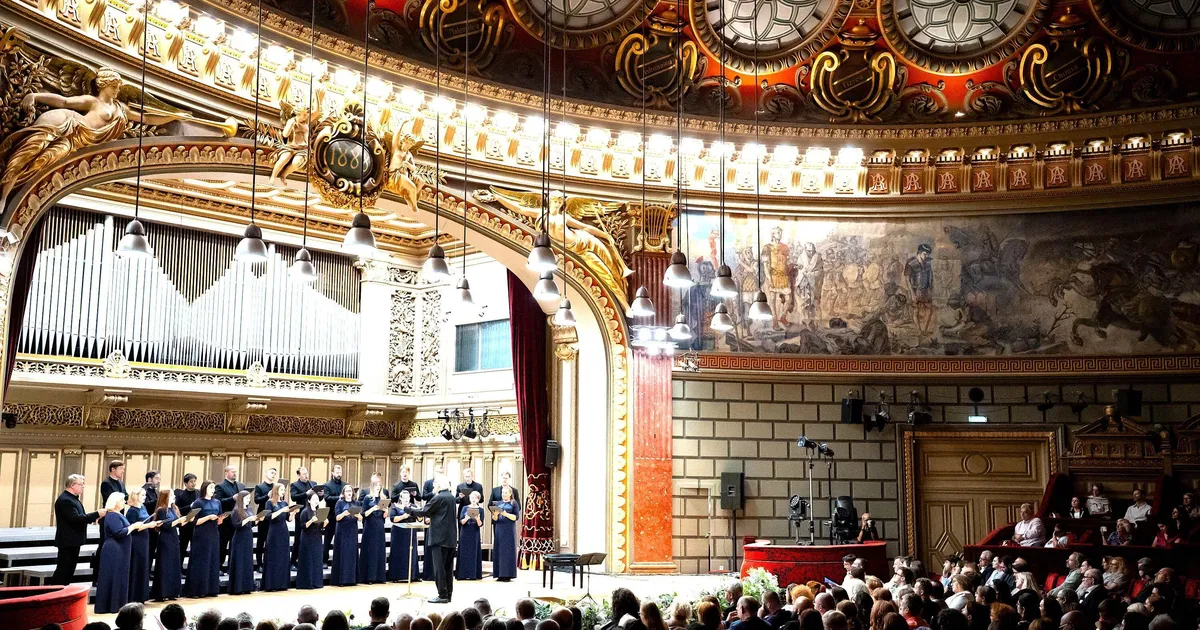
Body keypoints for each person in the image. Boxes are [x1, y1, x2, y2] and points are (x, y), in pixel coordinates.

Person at [406, 475, 458, 602]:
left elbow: (424, 511)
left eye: (435, 484)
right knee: (448, 568)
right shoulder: (451, 497)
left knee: (439, 568)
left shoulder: (438, 497)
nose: (433, 486)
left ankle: (442, 595)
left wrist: (407, 509)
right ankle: (448, 594)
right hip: (450, 538)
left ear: (439, 485)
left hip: (439, 538)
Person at [52, 474, 106, 585]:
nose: (83, 487)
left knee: (68, 571)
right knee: (63, 572)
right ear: (72, 485)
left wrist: (94, 517)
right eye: (81, 484)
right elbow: (75, 519)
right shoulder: (65, 500)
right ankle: (56, 592)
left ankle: (63, 591)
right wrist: (96, 514)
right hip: (68, 541)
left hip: (73, 541)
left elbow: (80, 517)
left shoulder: (73, 499)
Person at [94, 493, 138, 614]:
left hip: (120, 549)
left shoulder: (117, 514)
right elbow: (118, 532)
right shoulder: (112, 515)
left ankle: (118, 604)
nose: (124, 502)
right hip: (114, 549)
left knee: (119, 576)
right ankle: (112, 605)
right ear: (115, 502)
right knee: (114, 576)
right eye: (122, 500)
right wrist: (133, 527)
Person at [185, 480, 224, 598]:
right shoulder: (198, 502)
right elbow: (193, 521)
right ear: (205, 489)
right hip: (201, 534)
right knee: (200, 561)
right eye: (211, 487)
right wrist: (208, 517)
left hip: (214, 533)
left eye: (214, 488)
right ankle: (196, 590)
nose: (213, 490)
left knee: (212, 559)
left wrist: (220, 519)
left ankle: (211, 589)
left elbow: (219, 517)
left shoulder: (217, 502)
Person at [125, 488, 158, 604]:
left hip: (145, 539)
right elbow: (132, 528)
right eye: (143, 495)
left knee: (143, 566)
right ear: (136, 496)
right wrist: (149, 525)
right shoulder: (132, 511)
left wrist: (153, 523)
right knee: (136, 565)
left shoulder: (143, 507)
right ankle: (133, 596)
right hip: (136, 540)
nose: (145, 497)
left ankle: (141, 596)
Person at [151, 488, 183, 601]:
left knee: (173, 564)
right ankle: (162, 592)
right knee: (165, 564)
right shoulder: (161, 510)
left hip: (174, 537)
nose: (174, 496)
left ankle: (172, 591)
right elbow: (165, 525)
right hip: (165, 538)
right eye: (172, 495)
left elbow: (178, 524)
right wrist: (177, 521)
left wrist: (185, 520)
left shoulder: (174, 508)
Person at [214, 465, 245, 570]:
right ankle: (219, 566)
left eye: (236, 471)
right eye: (233, 471)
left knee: (234, 543)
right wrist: (232, 498)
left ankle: (232, 566)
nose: (235, 473)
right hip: (225, 519)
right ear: (226, 473)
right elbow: (218, 501)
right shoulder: (220, 486)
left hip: (237, 518)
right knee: (222, 543)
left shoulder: (240, 485)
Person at [359, 476, 388, 584]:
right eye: (376, 485)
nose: (378, 487)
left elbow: (385, 515)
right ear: (372, 486)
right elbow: (364, 514)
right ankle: (369, 577)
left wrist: (385, 511)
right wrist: (373, 509)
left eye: (379, 485)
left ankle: (380, 576)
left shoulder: (383, 498)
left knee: (379, 550)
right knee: (370, 550)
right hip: (370, 525)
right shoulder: (368, 498)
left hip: (379, 525)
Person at [264, 482, 293, 591]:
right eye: (281, 490)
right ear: (276, 491)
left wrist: (293, 513)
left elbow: (288, 519)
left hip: (283, 531)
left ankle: (282, 584)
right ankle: (272, 584)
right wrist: (281, 510)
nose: (283, 492)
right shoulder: (270, 502)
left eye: (284, 490)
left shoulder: (285, 503)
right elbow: (269, 517)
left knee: (283, 557)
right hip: (274, 532)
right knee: (274, 557)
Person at [228, 490, 259, 595]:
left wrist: (256, 521)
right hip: (240, 537)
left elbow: (251, 524)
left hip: (248, 536)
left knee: (247, 561)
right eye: (246, 498)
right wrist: (248, 519)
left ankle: (247, 586)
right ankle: (238, 587)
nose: (248, 500)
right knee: (239, 561)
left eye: (249, 498)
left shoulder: (249, 509)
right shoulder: (236, 510)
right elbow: (236, 525)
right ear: (241, 499)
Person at [388, 489, 422, 582]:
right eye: (404, 498)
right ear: (401, 498)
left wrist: (419, 513)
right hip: (399, 532)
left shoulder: (413, 506)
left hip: (410, 531)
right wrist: (403, 516)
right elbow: (392, 519)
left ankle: (413, 575)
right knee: (398, 553)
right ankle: (396, 576)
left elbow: (419, 519)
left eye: (408, 498)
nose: (406, 500)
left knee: (411, 552)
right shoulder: (396, 506)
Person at [331, 483, 361, 586]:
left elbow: (361, 518)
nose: (349, 493)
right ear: (343, 493)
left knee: (351, 553)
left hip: (352, 530)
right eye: (347, 491)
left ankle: (351, 579)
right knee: (343, 553)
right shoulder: (340, 503)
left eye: (350, 491)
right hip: (342, 531)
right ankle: (341, 580)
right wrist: (344, 513)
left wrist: (358, 515)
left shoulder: (356, 503)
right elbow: (337, 518)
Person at [296, 492, 326, 589]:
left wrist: (325, 522)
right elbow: (302, 526)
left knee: (317, 560)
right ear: (309, 500)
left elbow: (322, 527)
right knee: (308, 560)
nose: (316, 501)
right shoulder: (305, 511)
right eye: (313, 499)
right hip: (307, 538)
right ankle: (307, 583)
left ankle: (317, 582)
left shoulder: (319, 511)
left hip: (317, 537)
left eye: (317, 499)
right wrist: (311, 521)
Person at [290, 467, 319, 564]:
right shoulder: (295, 485)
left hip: (313, 512)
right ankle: (293, 561)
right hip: (301, 513)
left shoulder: (313, 483)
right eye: (303, 474)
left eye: (307, 473)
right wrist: (306, 493)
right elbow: (293, 497)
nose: (306, 475)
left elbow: (318, 498)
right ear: (298, 475)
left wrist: (321, 494)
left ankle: (306, 560)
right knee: (298, 538)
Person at [491, 485, 519, 581]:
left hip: (509, 530)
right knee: (499, 550)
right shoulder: (498, 503)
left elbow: (515, 517)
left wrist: (505, 514)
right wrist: (495, 514)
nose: (504, 494)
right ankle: (499, 574)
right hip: (499, 529)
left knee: (507, 551)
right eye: (502, 493)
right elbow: (495, 519)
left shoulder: (514, 503)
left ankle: (507, 574)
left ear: (510, 493)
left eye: (506, 493)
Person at [253, 467, 278, 569]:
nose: (273, 475)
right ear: (266, 473)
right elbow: (257, 500)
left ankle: (269, 562)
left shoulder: (275, 486)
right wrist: (267, 496)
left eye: (274, 473)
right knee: (261, 540)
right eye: (271, 472)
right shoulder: (260, 486)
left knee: (271, 540)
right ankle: (259, 563)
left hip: (273, 515)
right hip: (263, 515)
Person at [456, 491, 484, 580]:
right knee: (464, 552)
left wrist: (477, 519)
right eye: (472, 498)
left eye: (475, 498)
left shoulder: (481, 510)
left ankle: (473, 574)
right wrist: (466, 518)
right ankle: (462, 574)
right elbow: (461, 522)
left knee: (473, 552)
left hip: (474, 532)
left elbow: (480, 524)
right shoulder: (465, 508)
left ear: (478, 499)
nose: (473, 499)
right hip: (465, 532)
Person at [323, 464, 347, 565]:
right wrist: (339, 497)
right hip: (331, 515)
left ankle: (340, 560)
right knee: (328, 539)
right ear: (332, 472)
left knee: (342, 539)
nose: (339, 474)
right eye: (337, 472)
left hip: (343, 515)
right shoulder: (327, 485)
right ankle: (324, 560)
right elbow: (327, 498)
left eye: (340, 472)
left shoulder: (345, 485)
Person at [174, 474, 199, 564]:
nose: (194, 483)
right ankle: (179, 567)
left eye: (195, 481)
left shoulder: (198, 493)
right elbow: (178, 510)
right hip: (185, 525)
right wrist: (190, 506)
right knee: (182, 547)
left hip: (196, 524)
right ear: (185, 483)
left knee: (195, 548)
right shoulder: (180, 495)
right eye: (191, 482)